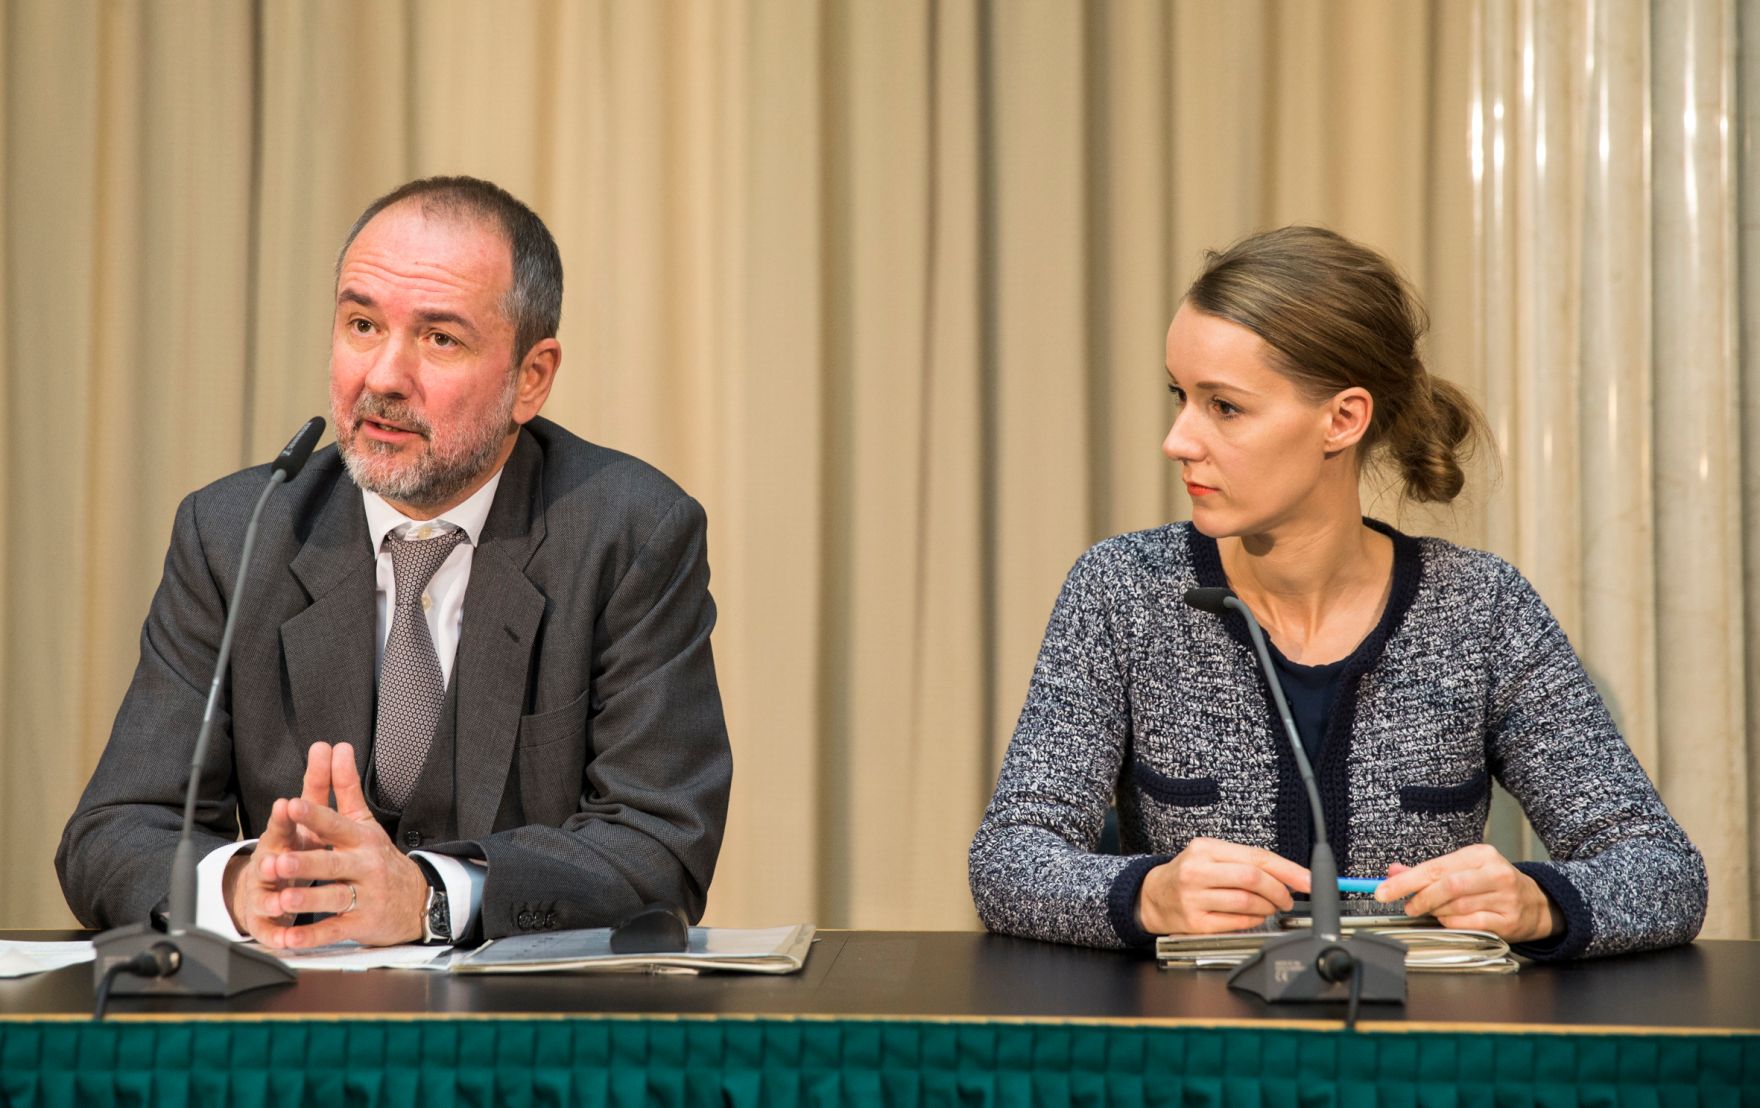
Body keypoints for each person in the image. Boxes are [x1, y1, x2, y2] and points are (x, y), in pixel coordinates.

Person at [968, 226, 1705, 960]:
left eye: (1223, 407)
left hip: (1416, 1059)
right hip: (1200, 1060)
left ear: (1343, 419)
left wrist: (1539, 900)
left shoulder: (1482, 609)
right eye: (1179, 397)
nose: (1178, 440)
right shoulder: (1122, 592)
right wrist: (1147, 893)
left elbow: (1664, 873)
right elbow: (1007, 861)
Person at [58, 176, 732, 950]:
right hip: (289, 1035)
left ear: (531, 379)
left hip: (531, 1045)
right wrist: (247, 886)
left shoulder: (628, 533)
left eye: (439, 338)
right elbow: (113, 831)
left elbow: (661, 842)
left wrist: (429, 897)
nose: (381, 378)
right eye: (361, 324)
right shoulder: (235, 534)